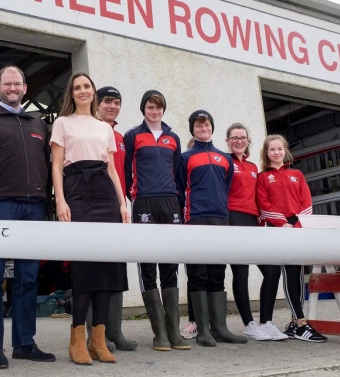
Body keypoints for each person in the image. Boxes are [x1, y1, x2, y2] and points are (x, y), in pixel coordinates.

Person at [0, 65, 56, 369]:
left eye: (17, 83)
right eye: (7, 83)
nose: (12, 88)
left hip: (34, 206)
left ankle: (24, 343)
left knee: (28, 278)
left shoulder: (38, 123)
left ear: (24, 88)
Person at [50, 72, 131, 365]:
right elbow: (57, 166)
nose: (82, 91)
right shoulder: (62, 123)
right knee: (84, 268)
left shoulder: (103, 127)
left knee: (107, 268)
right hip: (77, 191)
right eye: (77, 87)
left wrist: (122, 203)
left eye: (87, 86)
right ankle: (76, 339)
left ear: (93, 91)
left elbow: (111, 168)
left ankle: (98, 339)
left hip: (105, 195)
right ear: (71, 94)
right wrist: (60, 200)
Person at [123, 90, 190, 351]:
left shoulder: (173, 138)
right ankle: (159, 333)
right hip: (144, 202)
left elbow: (176, 171)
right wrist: (132, 195)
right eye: (150, 107)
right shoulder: (133, 135)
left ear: (163, 110)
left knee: (170, 262)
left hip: (169, 201)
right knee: (148, 263)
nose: (155, 111)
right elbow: (127, 167)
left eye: (159, 107)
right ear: (143, 109)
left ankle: (174, 332)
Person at [176, 111, 248, 347]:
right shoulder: (185, 157)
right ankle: (203, 330)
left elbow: (225, 187)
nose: (203, 128)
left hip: (220, 219)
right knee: (198, 274)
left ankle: (220, 328)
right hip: (195, 218)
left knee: (217, 273)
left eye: (206, 124)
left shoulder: (224, 159)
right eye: (198, 125)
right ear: (193, 130)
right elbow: (179, 188)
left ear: (212, 128)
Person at [255, 134, 328, 343]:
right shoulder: (262, 178)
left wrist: (297, 224)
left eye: (279, 149)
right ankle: (301, 322)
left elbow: (306, 201)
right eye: (272, 149)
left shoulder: (297, 174)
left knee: (297, 273)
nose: (276, 153)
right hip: (279, 230)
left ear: (285, 151)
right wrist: (282, 224)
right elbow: (264, 204)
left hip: (298, 228)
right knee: (288, 272)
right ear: (266, 153)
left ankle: (297, 323)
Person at [81, 85, 138, 352]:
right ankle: (95, 334)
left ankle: (114, 331)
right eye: (106, 101)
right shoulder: (87, 129)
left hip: (117, 209)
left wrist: (125, 202)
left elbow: (124, 174)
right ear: (97, 103)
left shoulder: (120, 137)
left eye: (116, 102)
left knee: (116, 270)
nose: (111, 106)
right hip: (92, 209)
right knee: (94, 271)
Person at [224, 123, 287, 341]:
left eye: (243, 137)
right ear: (228, 141)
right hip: (233, 219)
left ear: (248, 141)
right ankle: (248, 324)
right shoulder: (224, 162)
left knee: (272, 270)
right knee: (241, 272)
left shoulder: (253, 168)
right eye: (234, 138)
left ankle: (266, 322)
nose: (239, 141)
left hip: (254, 222)